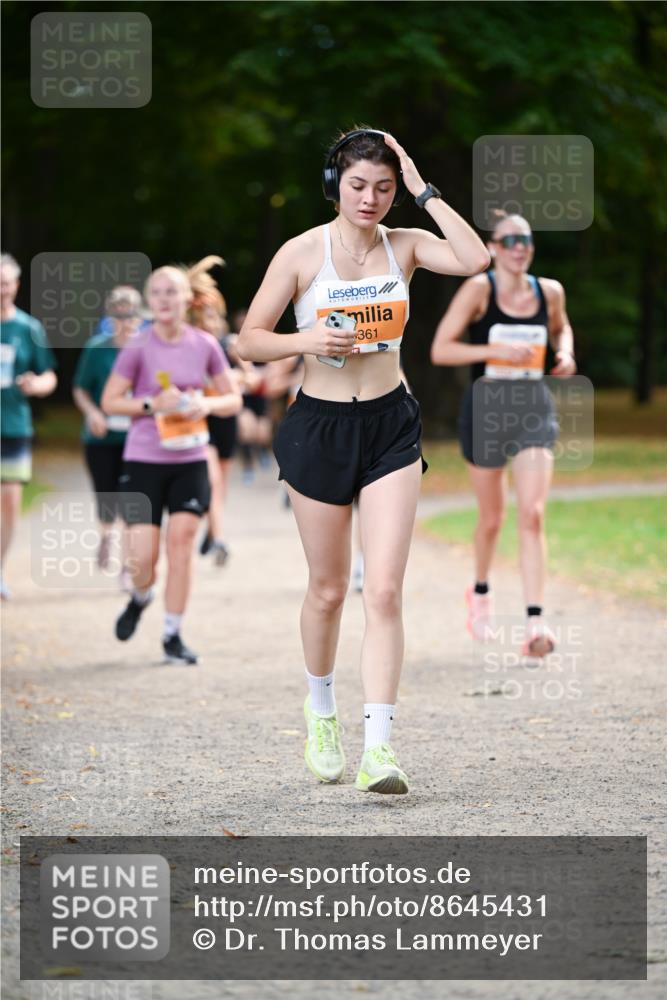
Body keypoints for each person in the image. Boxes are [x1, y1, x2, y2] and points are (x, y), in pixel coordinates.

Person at [238, 128, 489, 794]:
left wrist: (421, 187)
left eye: (383, 187)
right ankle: (320, 711)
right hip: (319, 426)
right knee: (326, 590)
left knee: (381, 590)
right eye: (357, 185)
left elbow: (472, 257)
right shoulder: (300, 253)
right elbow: (248, 341)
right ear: (334, 185)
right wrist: (306, 337)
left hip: (388, 427)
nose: (371, 199)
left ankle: (379, 749)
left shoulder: (404, 246)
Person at [430, 210, 577, 657]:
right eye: (509, 241)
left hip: (533, 405)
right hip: (487, 408)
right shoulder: (479, 289)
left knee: (532, 513)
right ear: (492, 247)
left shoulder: (549, 291)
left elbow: (561, 327)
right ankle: (479, 591)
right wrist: (494, 349)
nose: (518, 248)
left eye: (525, 240)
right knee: (492, 517)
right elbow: (441, 349)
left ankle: (535, 623)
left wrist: (566, 351)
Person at [101, 265, 242, 664]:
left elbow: (231, 399)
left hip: (191, 459)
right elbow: (111, 401)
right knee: (143, 558)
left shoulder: (204, 345)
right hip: (144, 458)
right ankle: (141, 596)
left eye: (171, 292)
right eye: (157, 292)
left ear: (186, 300)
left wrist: (207, 403)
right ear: (150, 300)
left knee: (180, 546)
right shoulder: (138, 347)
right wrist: (149, 404)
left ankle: (172, 635)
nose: (163, 299)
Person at [72, 285, 142, 589]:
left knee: (130, 501)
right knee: (106, 495)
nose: (125, 321)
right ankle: (105, 535)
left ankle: (127, 566)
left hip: (137, 437)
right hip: (101, 437)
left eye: (130, 315)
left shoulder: (147, 349)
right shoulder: (96, 348)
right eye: (119, 314)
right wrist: (92, 413)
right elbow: (80, 388)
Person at [1, 253, 57, 600]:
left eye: (5, 283)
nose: (0, 289)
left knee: (9, 501)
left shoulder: (28, 328)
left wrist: (37, 385)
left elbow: (50, 375)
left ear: (16, 286)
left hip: (14, 424)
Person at [185, 255, 236, 566]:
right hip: (200, 418)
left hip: (225, 420)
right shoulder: (191, 344)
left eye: (215, 316)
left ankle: (212, 527)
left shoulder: (227, 345)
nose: (212, 320)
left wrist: (244, 379)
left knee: (222, 484)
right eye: (206, 314)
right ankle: (218, 539)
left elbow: (250, 376)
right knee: (212, 479)